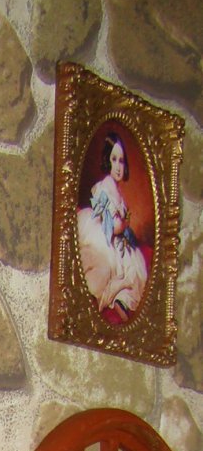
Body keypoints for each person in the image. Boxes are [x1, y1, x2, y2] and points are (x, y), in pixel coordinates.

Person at [76, 132, 149, 321]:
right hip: (103, 234)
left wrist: (124, 224)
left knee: (135, 265)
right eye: (114, 159)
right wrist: (123, 224)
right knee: (119, 267)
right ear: (108, 161)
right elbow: (112, 226)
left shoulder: (118, 192)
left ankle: (122, 299)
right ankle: (113, 295)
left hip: (115, 236)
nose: (118, 166)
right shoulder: (105, 187)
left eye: (122, 161)